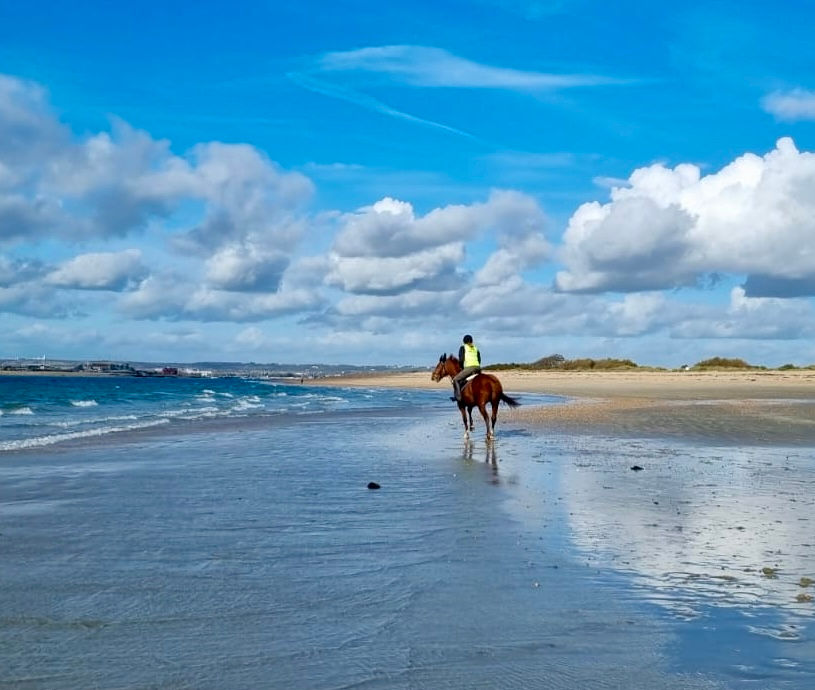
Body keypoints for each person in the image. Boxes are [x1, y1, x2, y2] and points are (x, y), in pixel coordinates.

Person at [451, 334, 482, 402]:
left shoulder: (463, 347)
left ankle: (458, 397)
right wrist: (476, 366)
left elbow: (461, 359)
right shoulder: (476, 348)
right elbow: (479, 359)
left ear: (464, 341)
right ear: (471, 341)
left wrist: (462, 367)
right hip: (478, 368)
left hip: (469, 368)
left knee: (455, 379)